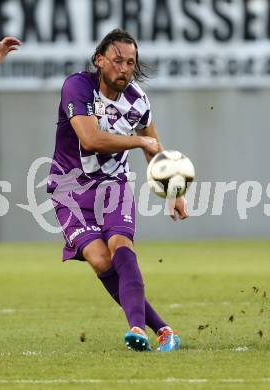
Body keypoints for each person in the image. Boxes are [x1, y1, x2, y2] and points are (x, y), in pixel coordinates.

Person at [48, 29, 188, 352]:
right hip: (69, 189)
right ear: (99, 60)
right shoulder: (77, 87)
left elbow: (155, 150)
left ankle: (137, 328)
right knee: (100, 260)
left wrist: (173, 191)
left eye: (130, 62)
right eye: (117, 60)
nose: (124, 68)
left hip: (114, 185)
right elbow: (91, 139)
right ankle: (164, 329)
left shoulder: (137, 101)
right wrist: (139, 140)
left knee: (120, 244)